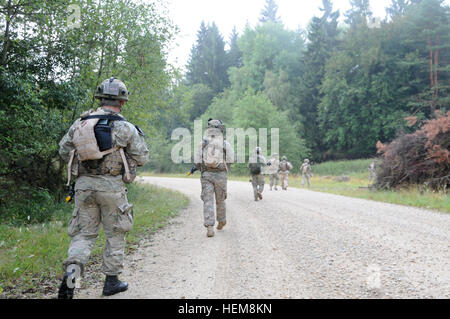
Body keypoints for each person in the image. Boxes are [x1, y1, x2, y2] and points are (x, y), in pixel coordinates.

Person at [57, 77, 149, 299]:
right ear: (122, 102)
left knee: (84, 235)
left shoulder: (80, 123)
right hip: (111, 187)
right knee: (115, 233)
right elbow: (143, 157)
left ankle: (71, 278)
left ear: (100, 99)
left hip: (84, 186)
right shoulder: (125, 128)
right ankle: (111, 282)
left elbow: (63, 150)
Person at [194, 119, 235, 238]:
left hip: (206, 175)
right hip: (221, 175)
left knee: (208, 200)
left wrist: (202, 167)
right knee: (220, 199)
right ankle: (221, 221)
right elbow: (231, 159)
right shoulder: (224, 143)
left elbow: (196, 160)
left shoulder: (202, 143)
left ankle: (209, 226)